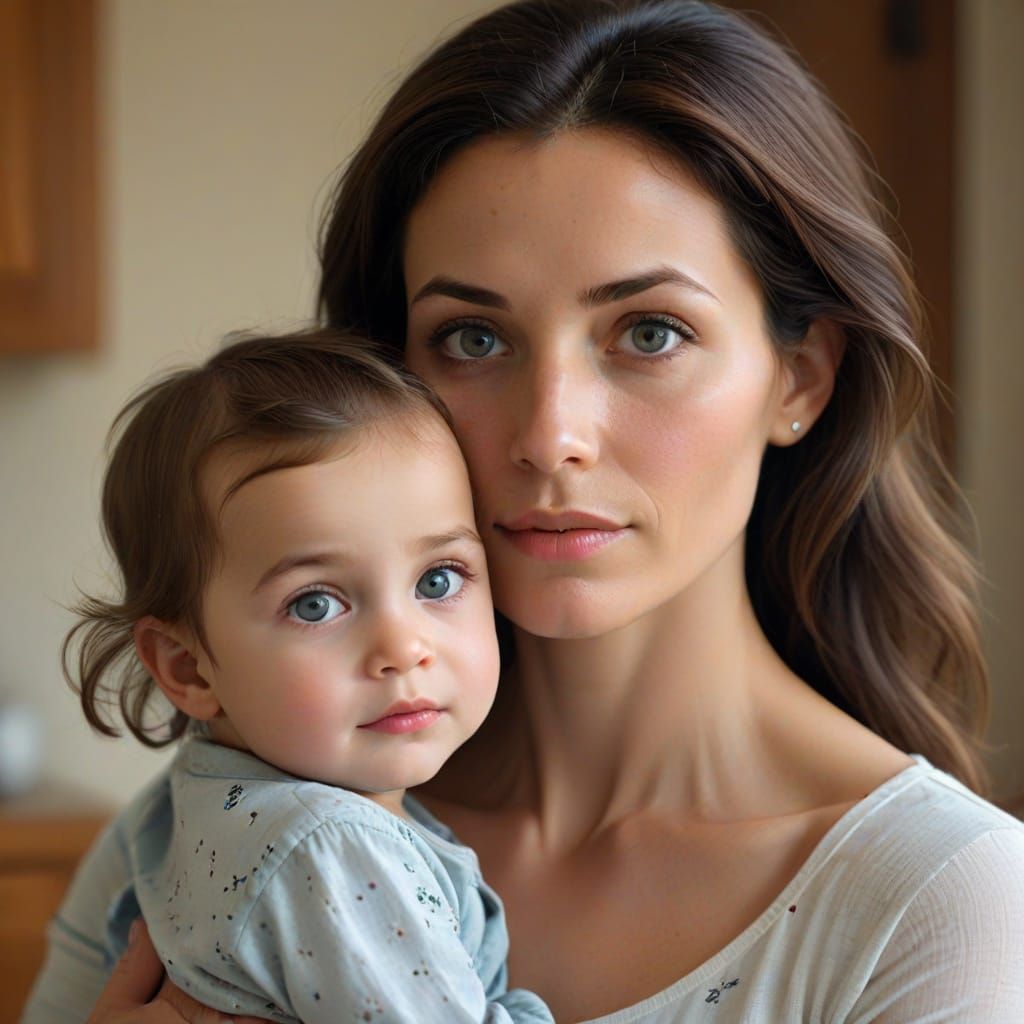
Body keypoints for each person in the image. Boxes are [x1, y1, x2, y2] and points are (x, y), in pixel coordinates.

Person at [25, 1, 1024, 1021]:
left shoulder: (941, 900)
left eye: (648, 332)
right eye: (470, 338)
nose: (550, 434)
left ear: (798, 380)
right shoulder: (220, 833)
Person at [34, 330, 553, 1023]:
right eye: (316, 604)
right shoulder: (333, 848)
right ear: (187, 667)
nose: (403, 647)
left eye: (437, 578)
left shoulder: (178, 809)